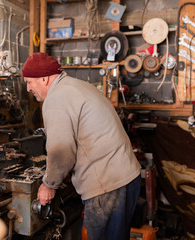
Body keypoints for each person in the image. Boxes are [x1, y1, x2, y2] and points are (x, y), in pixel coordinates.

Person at [22, 52, 141, 240]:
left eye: (29, 82)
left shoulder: (56, 99)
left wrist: (48, 185)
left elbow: (61, 151)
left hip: (107, 186)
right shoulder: (77, 86)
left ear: (44, 79)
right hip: (126, 177)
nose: (28, 88)